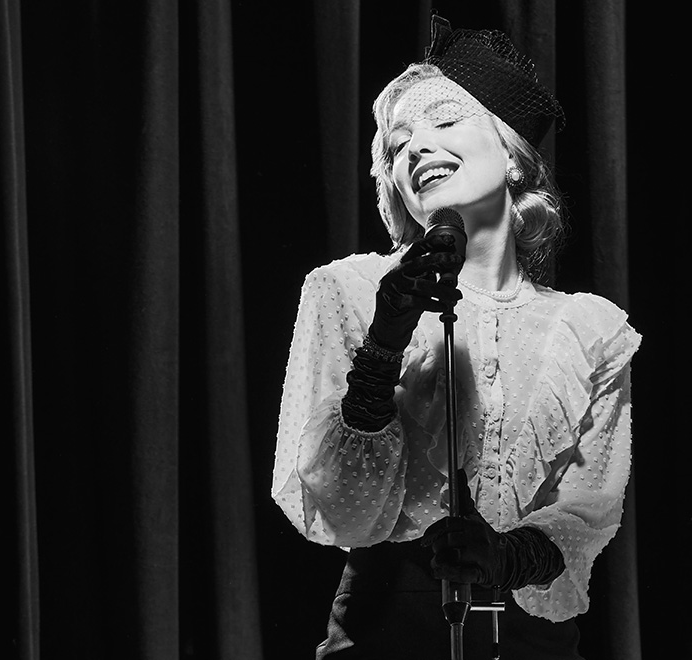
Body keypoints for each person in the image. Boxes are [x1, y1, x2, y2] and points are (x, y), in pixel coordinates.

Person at [271, 15, 641, 659]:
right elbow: (338, 503)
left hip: (531, 639)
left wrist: (506, 556)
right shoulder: (348, 290)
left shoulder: (591, 330)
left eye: (444, 121)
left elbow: (589, 505)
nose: (415, 149)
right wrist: (384, 344)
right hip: (388, 629)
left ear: (513, 154)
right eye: (397, 146)